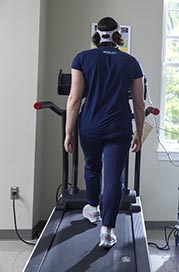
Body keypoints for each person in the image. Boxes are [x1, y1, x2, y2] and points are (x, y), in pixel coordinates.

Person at [64, 17, 145, 248]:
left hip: (90, 125)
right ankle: (107, 232)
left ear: (97, 35)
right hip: (119, 126)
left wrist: (69, 132)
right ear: (119, 37)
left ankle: (92, 207)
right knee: (113, 179)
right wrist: (140, 133)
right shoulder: (131, 62)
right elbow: (138, 103)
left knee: (92, 166)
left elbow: (74, 99)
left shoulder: (82, 58)